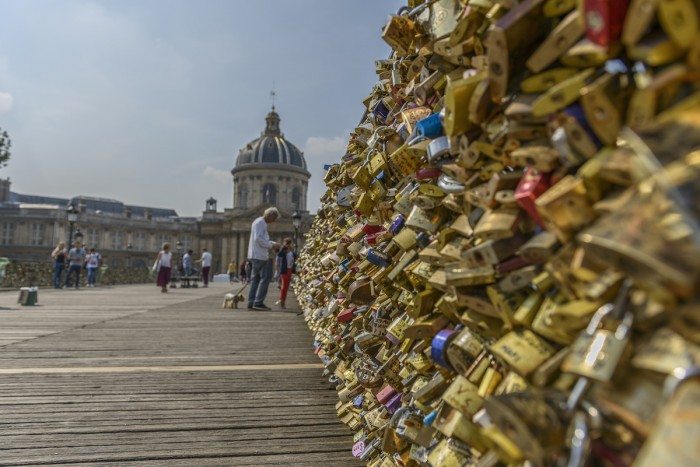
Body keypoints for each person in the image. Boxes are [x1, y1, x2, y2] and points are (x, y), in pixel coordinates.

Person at [247, 207, 279, 310]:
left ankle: (251, 302)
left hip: (256, 255)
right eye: (274, 218)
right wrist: (271, 246)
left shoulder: (258, 222)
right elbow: (258, 239)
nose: (273, 221)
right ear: (270, 215)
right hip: (260, 256)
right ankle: (258, 302)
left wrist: (273, 243)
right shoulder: (261, 223)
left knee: (255, 280)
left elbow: (261, 239)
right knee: (266, 278)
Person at [275, 238, 297, 309]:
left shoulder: (292, 253)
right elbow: (279, 254)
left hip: (290, 271)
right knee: (284, 286)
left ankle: (283, 301)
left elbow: (296, 257)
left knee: (286, 287)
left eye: (289, 243)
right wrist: (283, 247)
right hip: (284, 271)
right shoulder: (283, 252)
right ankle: (282, 301)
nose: (288, 244)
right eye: (287, 243)